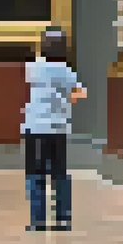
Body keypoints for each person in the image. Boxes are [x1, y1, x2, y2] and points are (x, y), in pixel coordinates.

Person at [21, 27, 86, 231]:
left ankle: (37, 220)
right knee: (59, 174)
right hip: (58, 129)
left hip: (35, 128)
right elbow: (80, 93)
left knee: (35, 174)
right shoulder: (67, 71)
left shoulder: (34, 67)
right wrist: (68, 98)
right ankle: (63, 219)